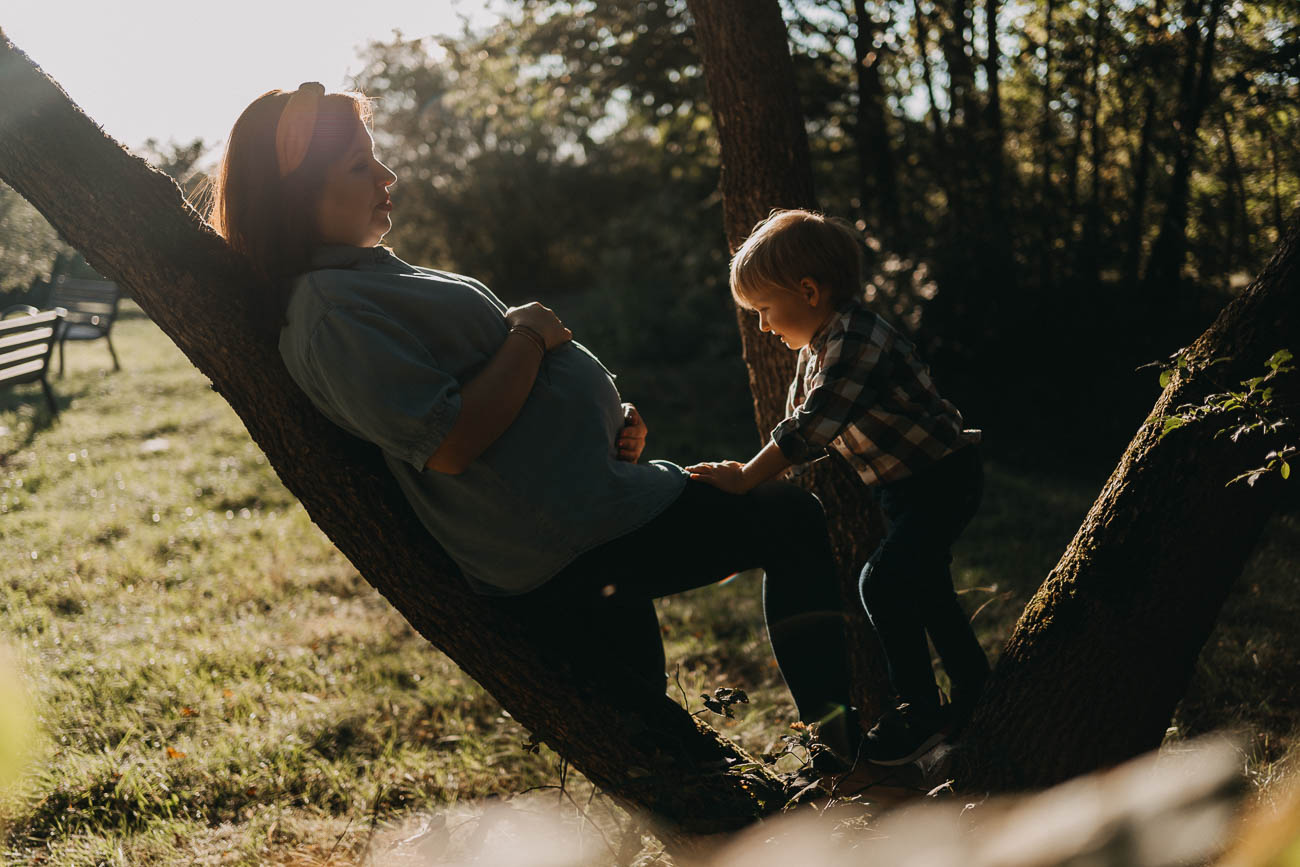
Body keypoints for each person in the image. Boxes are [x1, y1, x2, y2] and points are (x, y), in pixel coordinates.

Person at [205, 83, 861, 764]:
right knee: (787, 519)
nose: (386, 176)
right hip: (567, 541)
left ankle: (804, 782)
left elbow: (484, 391)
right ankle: (842, 757)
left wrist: (603, 422)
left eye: (376, 157)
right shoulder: (330, 314)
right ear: (296, 199)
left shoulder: (359, 281)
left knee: (657, 734)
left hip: (590, 505)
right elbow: (449, 441)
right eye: (357, 166)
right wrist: (530, 335)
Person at [688, 209, 989, 767]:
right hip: (903, 491)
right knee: (928, 590)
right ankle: (977, 692)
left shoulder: (857, 338)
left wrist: (747, 476)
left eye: (764, 310)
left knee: (883, 582)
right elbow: (795, 432)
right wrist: (750, 475)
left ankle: (920, 711)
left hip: (943, 477)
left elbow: (811, 428)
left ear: (808, 291)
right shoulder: (816, 351)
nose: (763, 326)